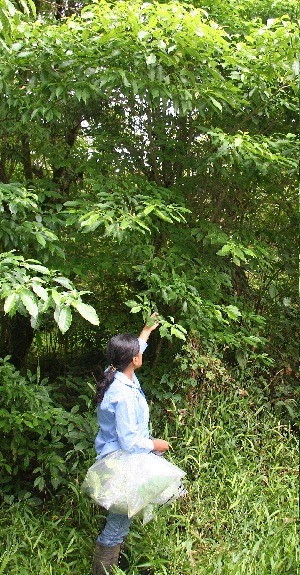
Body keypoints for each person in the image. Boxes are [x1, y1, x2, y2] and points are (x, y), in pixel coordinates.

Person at [93, 313, 169, 575]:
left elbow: (134, 349)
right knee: (117, 523)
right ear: (133, 360)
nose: (141, 354)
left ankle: (113, 562)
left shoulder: (114, 373)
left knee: (123, 516)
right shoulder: (123, 394)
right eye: (139, 351)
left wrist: (145, 332)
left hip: (118, 458)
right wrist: (156, 444)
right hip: (121, 462)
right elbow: (130, 441)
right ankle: (104, 568)